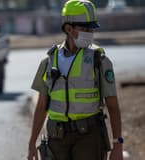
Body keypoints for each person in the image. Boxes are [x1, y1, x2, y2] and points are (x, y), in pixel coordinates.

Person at [27, 0, 123, 160]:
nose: (90, 32)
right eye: (85, 28)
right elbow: (41, 106)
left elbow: (113, 106)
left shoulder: (99, 60)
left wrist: (118, 145)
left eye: (92, 28)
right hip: (56, 140)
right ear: (69, 29)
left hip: (89, 139)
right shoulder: (49, 61)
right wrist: (31, 143)